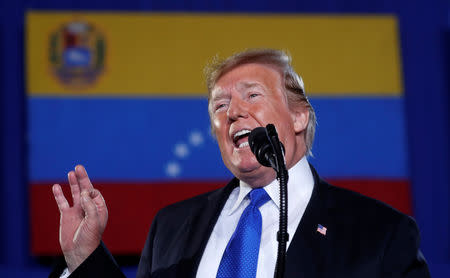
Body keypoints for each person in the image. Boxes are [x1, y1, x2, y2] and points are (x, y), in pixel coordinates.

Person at [50, 49, 431, 278]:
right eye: (219, 105)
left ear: (299, 117)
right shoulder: (171, 227)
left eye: (252, 94)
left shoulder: (380, 233)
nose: (233, 112)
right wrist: (85, 258)